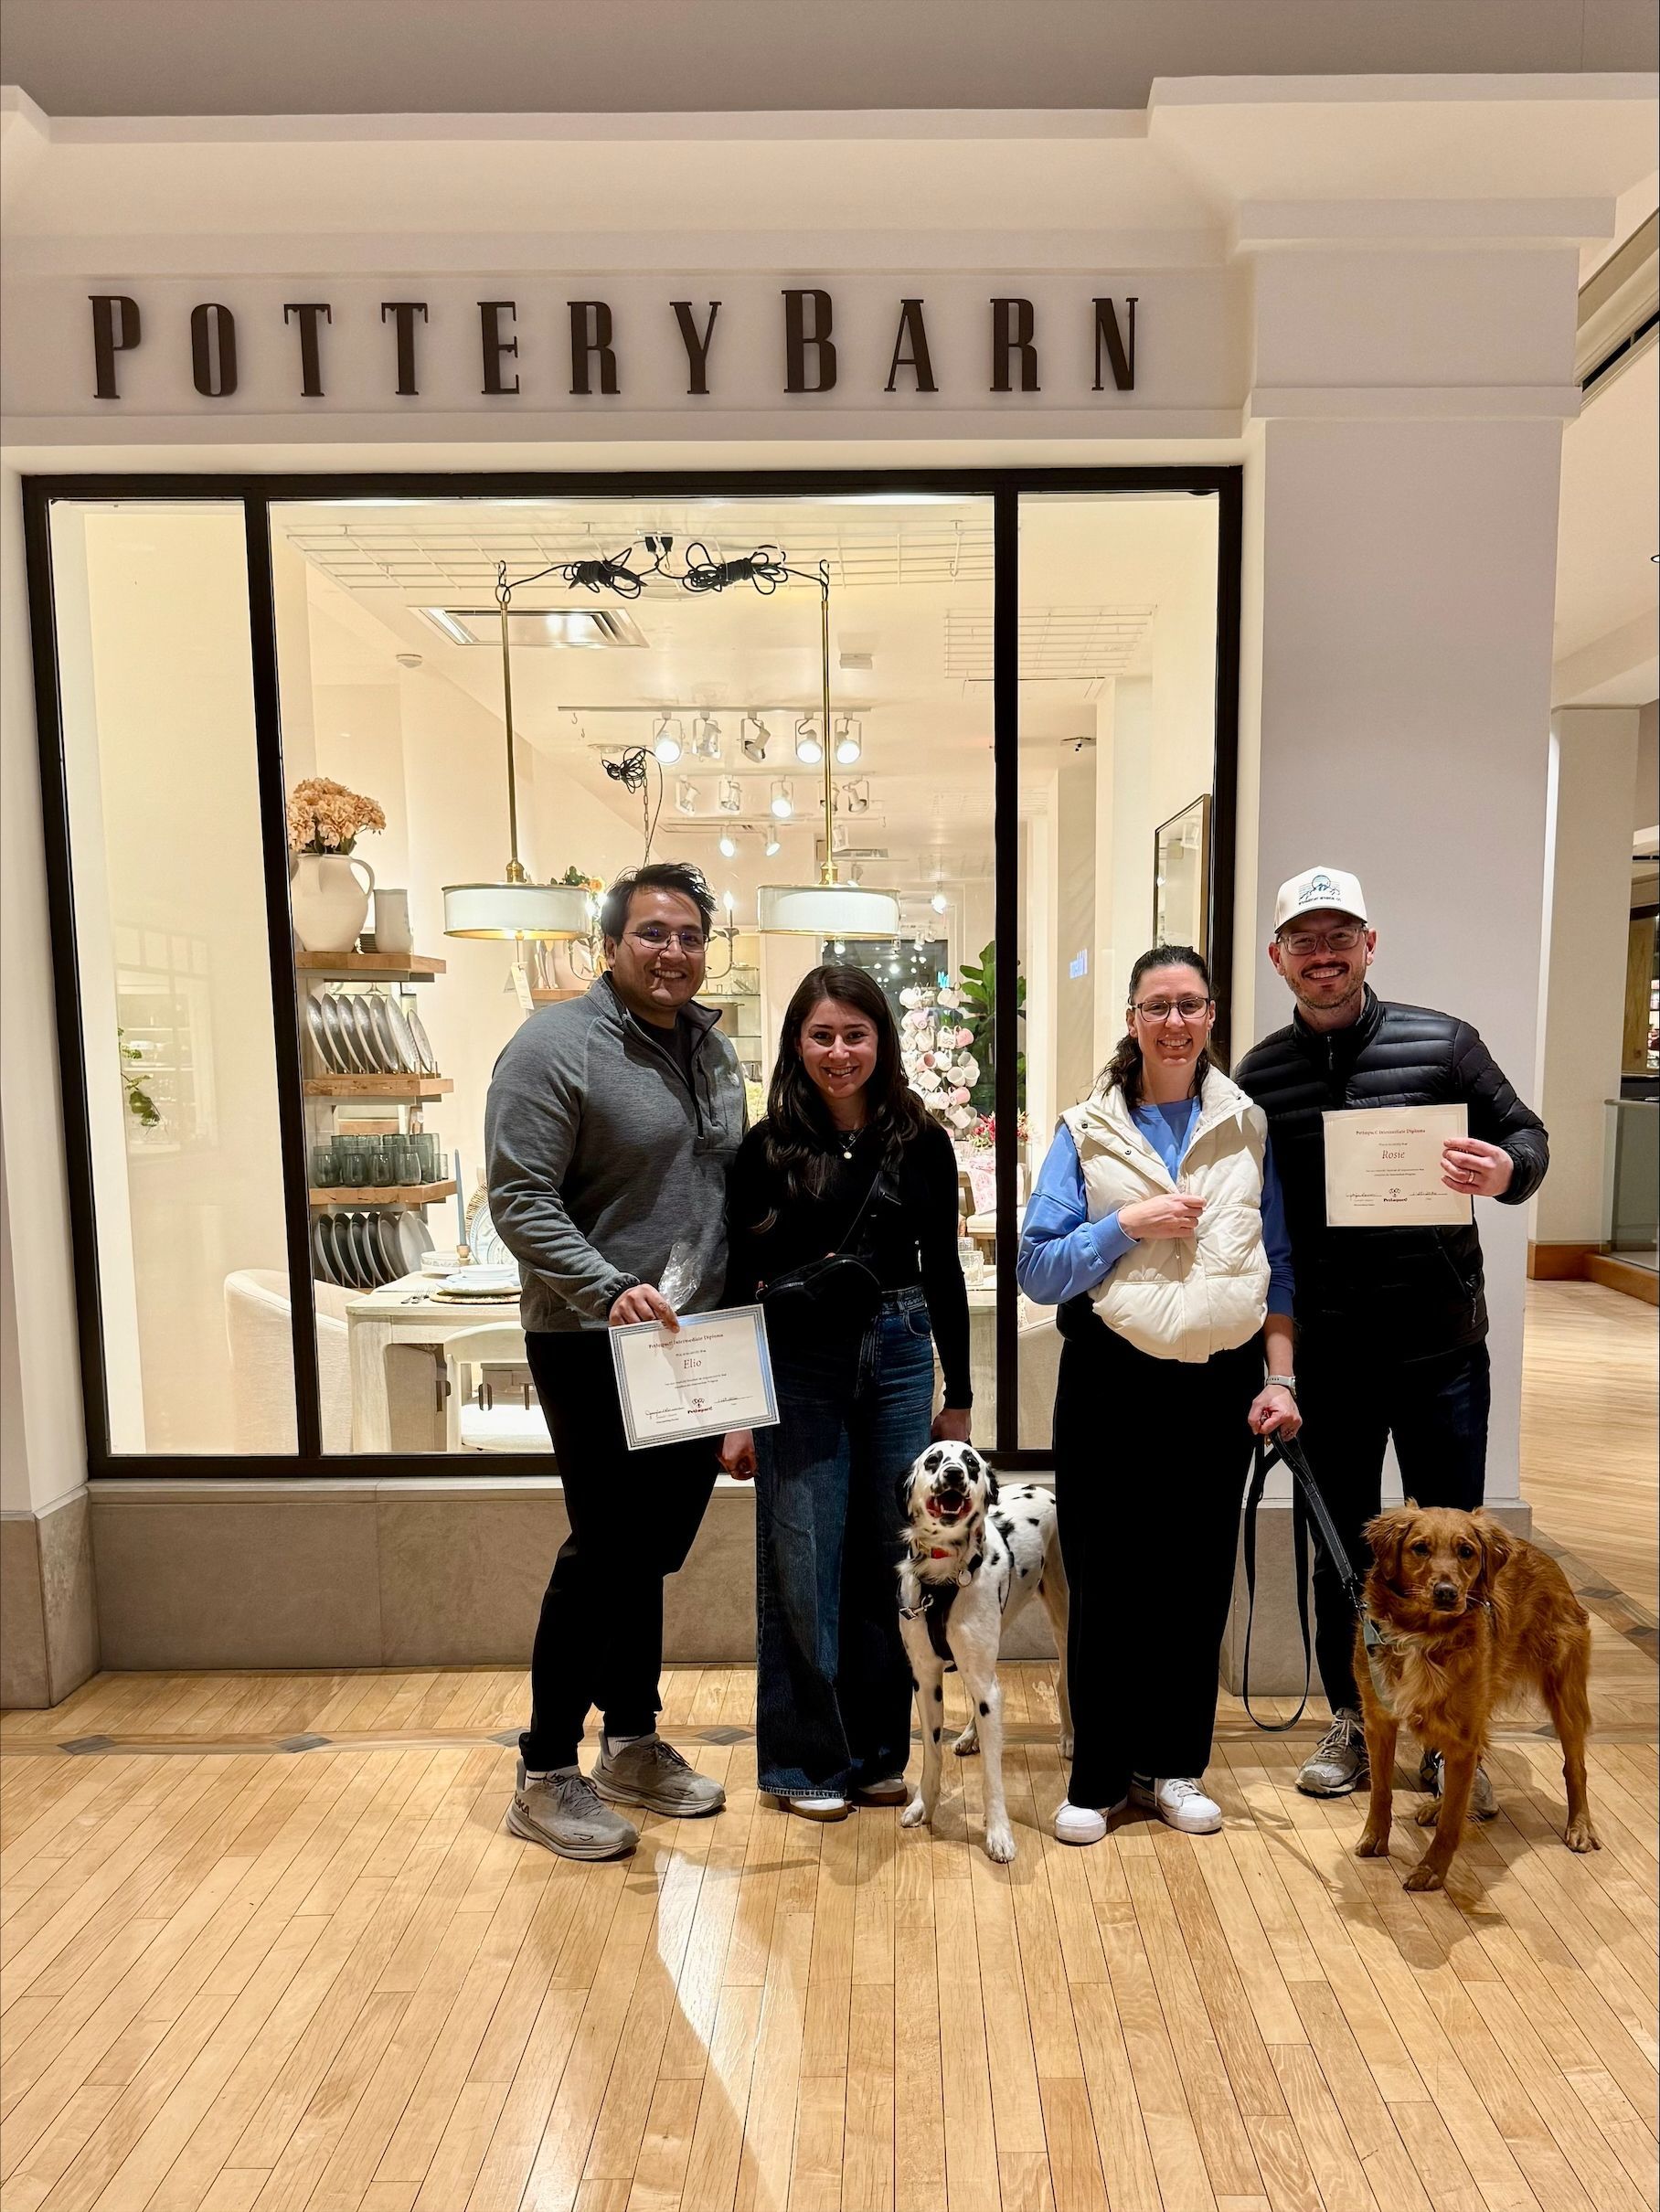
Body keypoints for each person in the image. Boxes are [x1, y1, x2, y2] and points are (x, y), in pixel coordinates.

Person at [1234, 867, 1548, 1806]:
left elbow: (1525, 1136)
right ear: (1278, 956)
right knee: (1344, 1548)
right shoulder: (1259, 1074)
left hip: (1441, 1347)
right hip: (1327, 1354)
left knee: (1457, 1553)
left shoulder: (1445, 1043)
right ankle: (1352, 1714)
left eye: (1340, 936)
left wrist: (1505, 1170)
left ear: (1370, 945)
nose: (1323, 954)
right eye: (1304, 939)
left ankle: (1453, 1736)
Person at [485, 860, 746, 1860]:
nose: (672, 950)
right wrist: (604, 1285)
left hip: (691, 1342)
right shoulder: (555, 1045)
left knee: (645, 1555)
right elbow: (519, 1198)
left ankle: (630, 1741)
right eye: (652, 933)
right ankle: (545, 1769)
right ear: (610, 943)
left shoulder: (708, 1048)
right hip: (591, 1338)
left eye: (688, 934)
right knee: (602, 1548)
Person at [1017, 943, 1299, 1844]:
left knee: (1194, 1575)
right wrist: (1122, 1225)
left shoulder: (1247, 1125)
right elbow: (1035, 1266)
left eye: (1189, 1004)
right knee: (1105, 1579)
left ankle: (1173, 1765)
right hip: (1110, 1377)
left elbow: (1278, 1263)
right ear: (1132, 1019)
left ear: (1211, 1015)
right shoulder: (1084, 1130)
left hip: (1218, 1384)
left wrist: (1279, 1373)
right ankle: (1097, 1775)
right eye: (1156, 1005)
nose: (1173, 1021)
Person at [720, 965, 973, 1821]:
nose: (839, 1052)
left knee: (885, 1558)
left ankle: (873, 1755)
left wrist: (961, 1396)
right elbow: (738, 1281)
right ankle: (802, 1764)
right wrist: (734, 1414)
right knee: (801, 1558)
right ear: (797, 1041)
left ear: (881, 1042)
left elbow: (944, 1272)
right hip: (798, 1360)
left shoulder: (921, 1140)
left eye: (855, 1035)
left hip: (902, 1351)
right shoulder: (765, 1149)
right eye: (822, 1035)